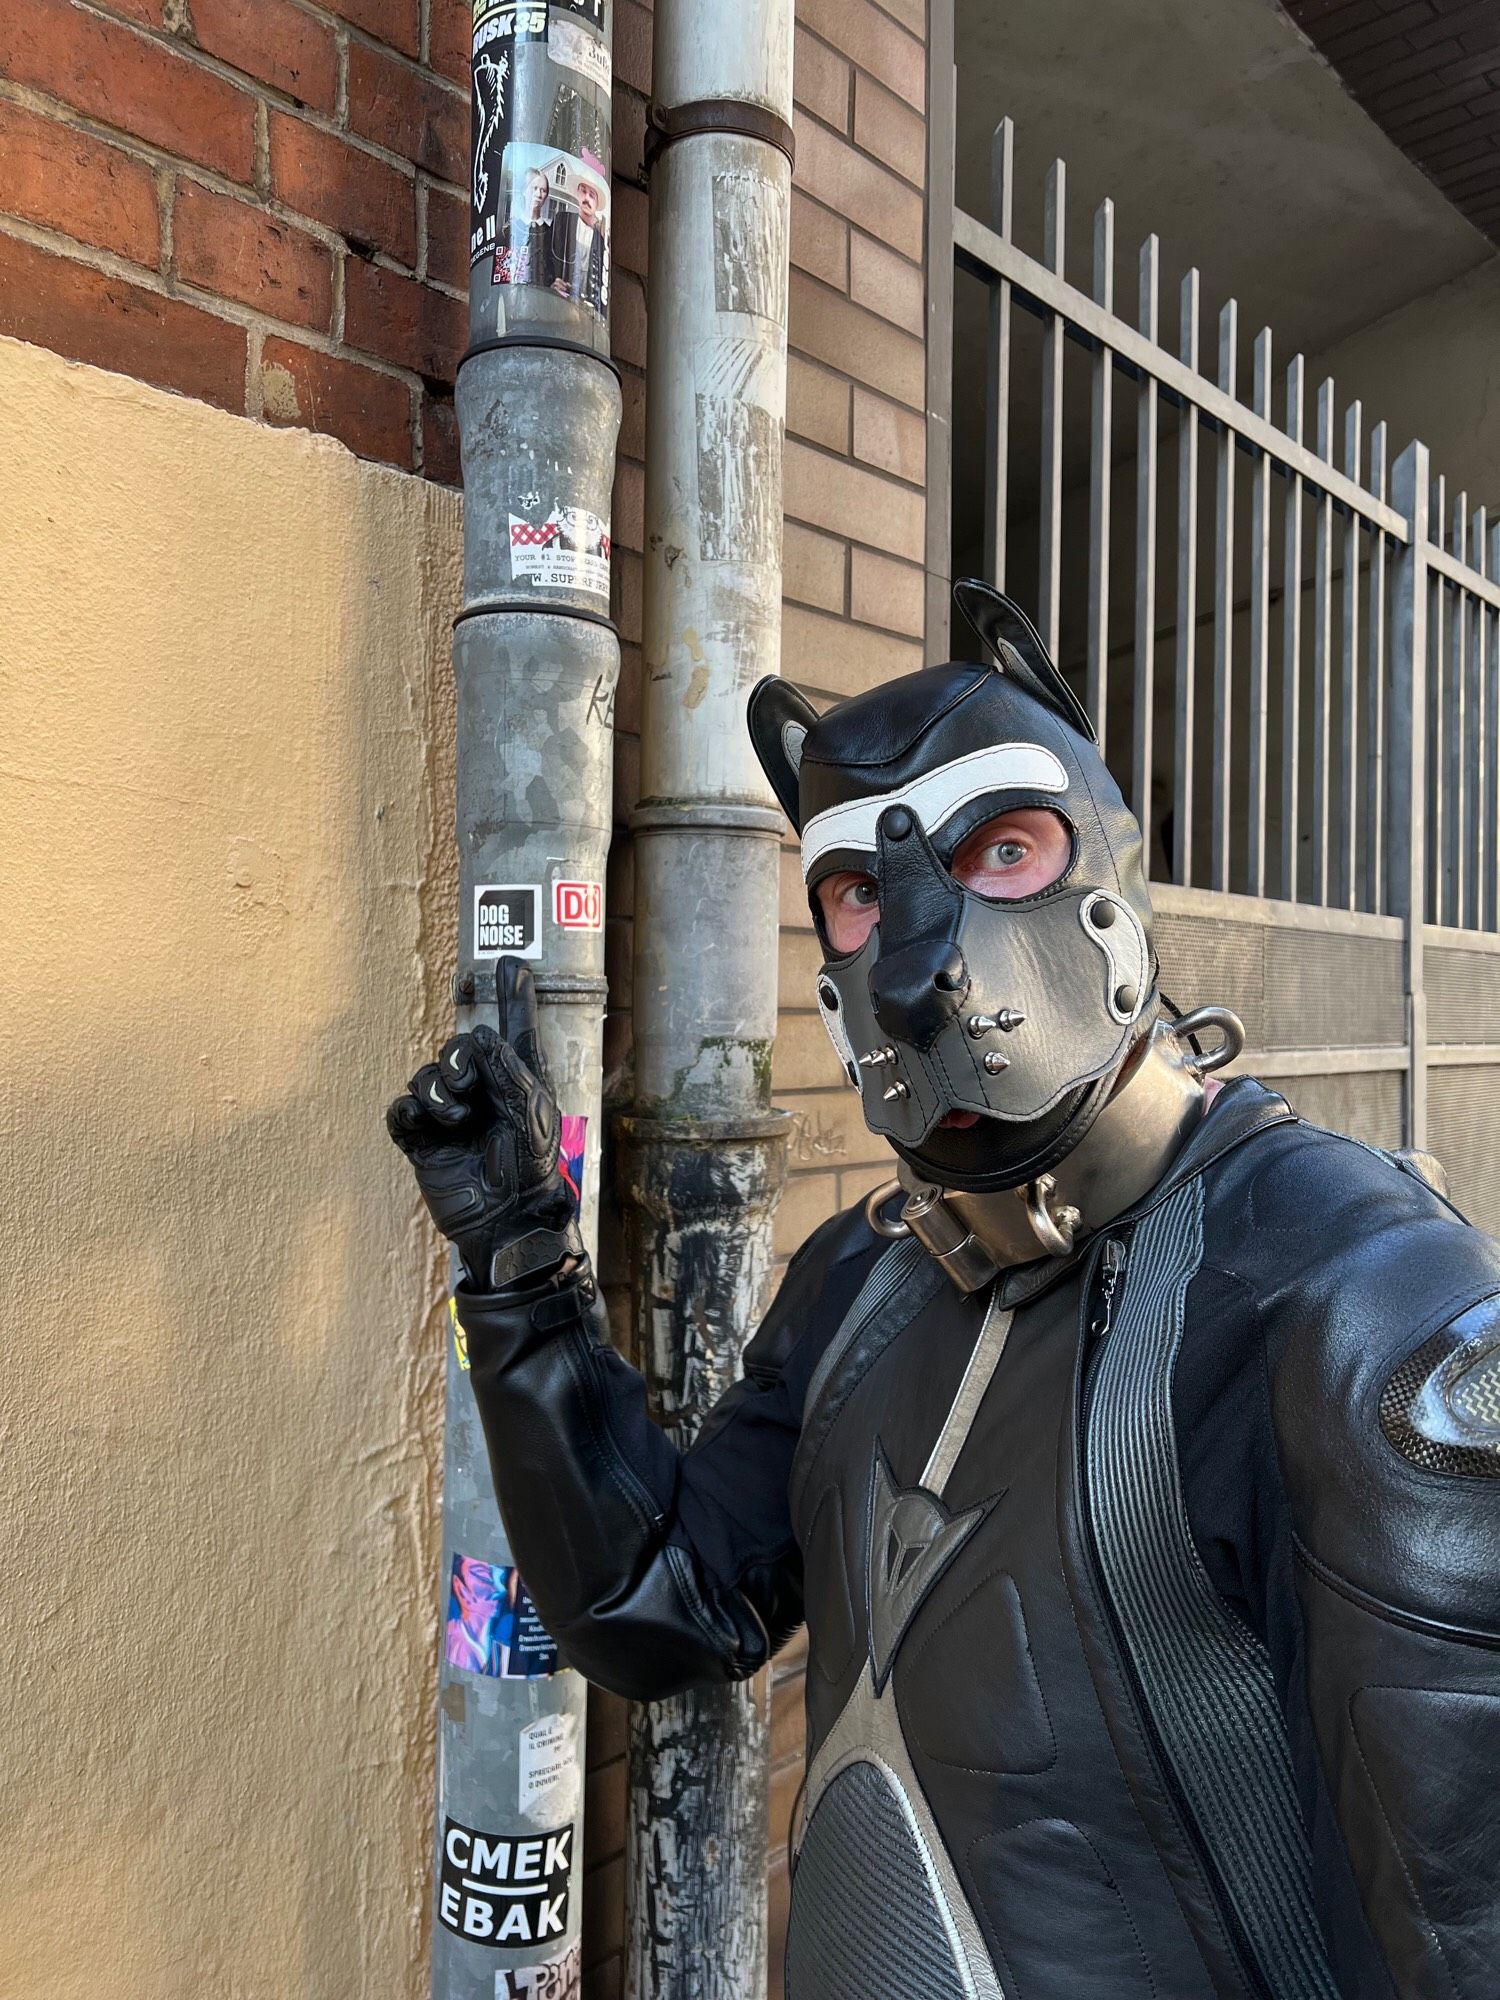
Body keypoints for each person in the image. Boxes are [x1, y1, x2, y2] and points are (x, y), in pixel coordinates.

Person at [388, 580, 1500, 1999]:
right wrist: (522, 1270)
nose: (914, 951)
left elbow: (1461, 1926)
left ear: (1108, 875)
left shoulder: (1349, 1292)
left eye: (1002, 849)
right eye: (857, 891)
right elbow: (655, 1605)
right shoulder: (865, 1276)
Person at [549, 177, 607, 315]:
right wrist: (551, 283)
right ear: (577, 193)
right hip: (556, 302)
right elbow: (548, 255)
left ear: (597, 203)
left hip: (584, 312)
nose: (586, 198)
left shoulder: (600, 241)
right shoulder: (563, 220)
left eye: (592, 195)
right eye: (583, 191)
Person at [500, 165, 556, 289]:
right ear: (524, 191)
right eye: (534, 188)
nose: (538, 194)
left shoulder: (551, 233)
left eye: (543, 190)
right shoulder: (510, 229)